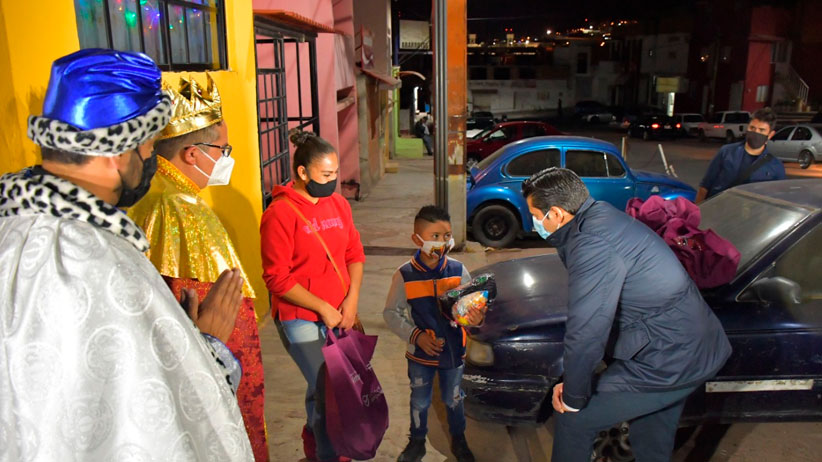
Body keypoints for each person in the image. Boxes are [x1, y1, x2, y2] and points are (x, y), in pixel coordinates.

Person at [0, 49, 253, 460]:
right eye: (150, 145)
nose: (151, 159)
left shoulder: (11, 230)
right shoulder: (98, 259)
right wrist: (207, 349)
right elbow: (147, 421)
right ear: (120, 149)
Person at [522, 168, 732, 462]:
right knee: (651, 433)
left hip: (670, 356)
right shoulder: (601, 216)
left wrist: (573, 395)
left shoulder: (592, 243)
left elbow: (587, 330)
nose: (533, 223)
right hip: (691, 346)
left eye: (534, 214)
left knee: (574, 419)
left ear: (555, 214)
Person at [128, 74, 269, 461]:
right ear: (193, 153)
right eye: (222, 149)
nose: (227, 158)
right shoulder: (181, 210)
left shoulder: (150, 194)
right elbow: (221, 318)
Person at [260, 130, 366, 462]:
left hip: (339, 314)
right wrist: (322, 308)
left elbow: (354, 254)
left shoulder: (338, 204)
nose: (333, 181)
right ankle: (328, 455)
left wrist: (351, 303)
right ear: (303, 173)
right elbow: (276, 278)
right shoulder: (279, 213)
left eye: (335, 173)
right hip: (300, 319)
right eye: (326, 175)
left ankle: (314, 447)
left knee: (322, 388)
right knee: (327, 388)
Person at [383, 205, 476, 462]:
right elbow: (391, 313)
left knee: (453, 398)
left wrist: (473, 317)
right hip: (420, 356)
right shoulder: (405, 275)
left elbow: (468, 311)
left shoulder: (459, 272)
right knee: (420, 400)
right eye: (435, 236)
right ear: (417, 239)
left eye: (447, 235)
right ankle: (417, 441)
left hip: (454, 352)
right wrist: (416, 336)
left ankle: (459, 439)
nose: (443, 241)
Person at [695, 107, 785, 203]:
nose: (755, 133)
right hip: (718, 210)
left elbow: (777, 200)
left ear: (770, 135)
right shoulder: (726, 152)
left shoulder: (775, 166)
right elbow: (705, 186)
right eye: (752, 128)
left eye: (761, 130)